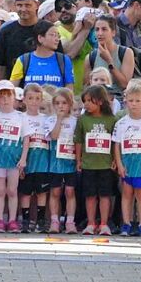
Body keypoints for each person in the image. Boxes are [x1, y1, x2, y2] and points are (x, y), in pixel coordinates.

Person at [113, 81, 141, 237]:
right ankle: (126, 223)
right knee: (126, 194)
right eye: (131, 101)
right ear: (125, 101)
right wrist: (119, 164)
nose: (134, 104)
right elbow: (117, 145)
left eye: (138, 101)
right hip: (127, 164)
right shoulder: (121, 123)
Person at [0, 80, 27, 233]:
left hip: (14, 159)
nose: (5, 99)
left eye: (8, 95)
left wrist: (23, 158)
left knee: (12, 190)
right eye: (1, 96)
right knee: (0, 190)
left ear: (14, 97)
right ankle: (0, 220)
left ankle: (13, 220)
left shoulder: (21, 117)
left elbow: (26, 139)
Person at [75, 84, 118, 236]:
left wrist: (114, 159)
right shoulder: (82, 120)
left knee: (105, 195)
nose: (86, 104)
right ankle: (91, 223)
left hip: (105, 164)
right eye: (84, 101)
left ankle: (104, 223)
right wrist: (78, 159)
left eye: (89, 101)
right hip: (88, 164)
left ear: (100, 101)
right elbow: (79, 140)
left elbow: (115, 141)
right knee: (90, 195)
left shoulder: (111, 119)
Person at [16, 83, 52, 232]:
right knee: (26, 192)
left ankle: (41, 220)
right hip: (27, 158)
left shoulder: (46, 119)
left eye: (37, 98)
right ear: (24, 99)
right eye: (30, 98)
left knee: (42, 191)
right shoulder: (19, 117)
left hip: (42, 158)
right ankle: (25, 221)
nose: (34, 101)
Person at [0, 0, 45, 79]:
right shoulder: (6, 31)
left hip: (42, 87)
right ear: (15, 6)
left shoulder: (47, 29)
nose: (23, 9)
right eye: (19, 5)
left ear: (37, 5)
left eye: (28, 5)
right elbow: (0, 67)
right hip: (14, 88)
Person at [48, 87, 78, 234]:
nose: (61, 106)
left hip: (70, 161)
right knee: (55, 191)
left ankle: (70, 221)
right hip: (55, 162)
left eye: (64, 103)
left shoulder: (75, 121)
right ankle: (54, 220)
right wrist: (59, 120)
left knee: (70, 191)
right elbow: (53, 136)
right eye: (58, 103)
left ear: (70, 104)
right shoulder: (50, 120)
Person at [10, 22, 74, 89]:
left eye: (58, 36)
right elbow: (12, 88)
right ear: (40, 38)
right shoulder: (23, 60)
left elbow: (69, 89)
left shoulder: (64, 60)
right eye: (53, 35)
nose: (57, 39)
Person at [86, 15, 135, 90]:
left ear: (113, 32)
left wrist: (109, 62)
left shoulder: (126, 53)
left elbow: (125, 84)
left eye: (104, 29)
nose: (100, 33)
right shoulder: (90, 56)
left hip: (119, 99)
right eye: (97, 29)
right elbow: (87, 86)